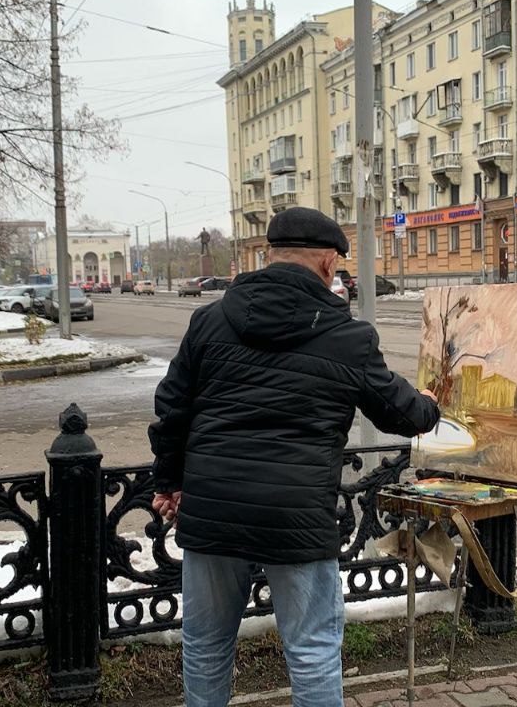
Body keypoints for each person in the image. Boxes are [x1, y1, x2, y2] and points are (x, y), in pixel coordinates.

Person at [149, 206, 440, 707]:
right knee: (312, 651)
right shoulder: (348, 337)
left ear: (270, 256)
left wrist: (169, 481)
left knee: (205, 644)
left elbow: (172, 409)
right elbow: (401, 413)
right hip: (295, 514)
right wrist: (432, 404)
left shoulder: (210, 320)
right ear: (328, 263)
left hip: (214, 506)